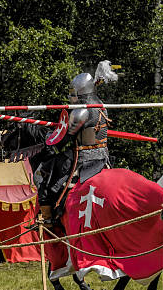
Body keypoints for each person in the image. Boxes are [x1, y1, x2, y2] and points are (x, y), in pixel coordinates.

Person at [37, 61, 118, 218]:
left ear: (81, 93)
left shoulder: (81, 111)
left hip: (83, 158)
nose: (70, 97)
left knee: (43, 173)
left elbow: (65, 139)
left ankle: (48, 218)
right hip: (103, 156)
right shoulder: (101, 105)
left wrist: (50, 141)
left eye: (72, 93)